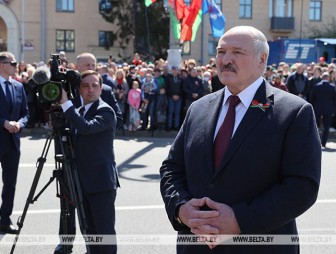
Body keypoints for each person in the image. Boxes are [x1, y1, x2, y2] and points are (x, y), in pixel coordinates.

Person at [160, 26, 321, 254]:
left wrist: (239, 220)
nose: (226, 60)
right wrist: (180, 208)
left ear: (262, 59)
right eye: (221, 51)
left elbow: (302, 187)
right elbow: (172, 168)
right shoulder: (198, 109)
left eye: (237, 52)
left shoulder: (293, 112)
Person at [54, 52, 122, 254]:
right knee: (89, 231)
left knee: (104, 232)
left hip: (101, 182)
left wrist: (66, 103)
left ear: (101, 88)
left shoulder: (105, 111)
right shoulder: (78, 110)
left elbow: (86, 128)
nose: (90, 89)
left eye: (95, 85)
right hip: (81, 180)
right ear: (79, 90)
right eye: (85, 86)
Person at [0, 51, 29, 234]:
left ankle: (5, 219)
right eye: (13, 62)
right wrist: (3, 122)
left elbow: (26, 113)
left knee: (10, 183)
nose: (16, 65)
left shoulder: (18, 86)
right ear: (2, 65)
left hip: (12, 143)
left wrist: (19, 123)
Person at [310, 72, 336, 148]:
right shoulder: (332, 87)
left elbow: (312, 98)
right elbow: (335, 99)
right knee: (326, 127)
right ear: (328, 78)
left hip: (317, 108)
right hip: (329, 109)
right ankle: (323, 143)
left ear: (322, 77)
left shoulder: (316, 86)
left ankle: (316, 142)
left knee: (316, 126)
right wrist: (334, 110)